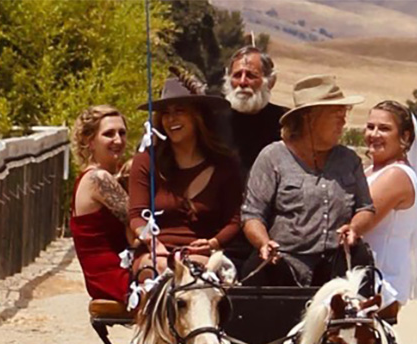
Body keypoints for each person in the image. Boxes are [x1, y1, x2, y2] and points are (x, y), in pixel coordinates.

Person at [240, 74, 376, 288]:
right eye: (336, 113)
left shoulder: (349, 160)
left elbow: (366, 208)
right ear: (310, 117)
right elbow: (252, 214)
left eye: (344, 113)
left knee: (361, 262)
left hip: (336, 265)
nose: (343, 120)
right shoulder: (273, 158)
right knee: (257, 275)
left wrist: (354, 228)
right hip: (282, 263)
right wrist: (264, 242)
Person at [128, 69, 244, 275]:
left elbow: (234, 220)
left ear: (198, 116)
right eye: (166, 113)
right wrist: (153, 244)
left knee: (197, 278)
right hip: (154, 251)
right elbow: (136, 215)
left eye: (179, 111)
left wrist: (212, 243)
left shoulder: (226, 166)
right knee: (153, 273)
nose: (171, 119)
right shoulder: (146, 161)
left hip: (201, 254)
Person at [360, 100, 417, 321]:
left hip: (379, 283)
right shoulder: (371, 171)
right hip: (361, 275)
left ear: (405, 137)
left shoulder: (396, 175)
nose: (374, 134)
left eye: (384, 128)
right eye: (370, 127)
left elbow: (360, 220)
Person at [69, 105, 132, 302]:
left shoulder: (106, 176)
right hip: (113, 277)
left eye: (122, 133)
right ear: (90, 141)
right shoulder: (98, 178)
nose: (118, 140)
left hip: (116, 271)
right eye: (108, 134)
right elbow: (140, 221)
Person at [222, 45, 288, 179]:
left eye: (251, 75)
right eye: (237, 75)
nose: (242, 82)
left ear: (270, 82)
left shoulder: (287, 122)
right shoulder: (212, 117)